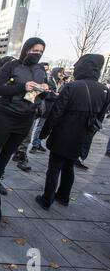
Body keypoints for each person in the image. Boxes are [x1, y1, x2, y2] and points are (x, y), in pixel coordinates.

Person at [0, 38, 48, 195]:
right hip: (5, 114)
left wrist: (44, 90)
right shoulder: (12, 66)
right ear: (26, 49)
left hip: (26, 117)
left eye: (40, 51)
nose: (37, 54)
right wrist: (22, 87)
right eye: (34, 50)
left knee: (9, 151)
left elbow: (40, 96)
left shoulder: (40, 70)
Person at [36, 54, 110, 210]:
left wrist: (45, 132)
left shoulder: (72, 86)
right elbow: (100, 118)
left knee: (54, 167)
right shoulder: (104, 90)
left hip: (63, 133)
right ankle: (63, 196)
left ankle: (46, 198)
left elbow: (57, 112)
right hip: (82, 136)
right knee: (68, 167)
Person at [30, 67, 64, 154]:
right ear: (56, 72)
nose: (61, 74)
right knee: (40, 126)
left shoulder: (61, 83)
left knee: (46, 127)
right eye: (60, 72)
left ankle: (39, 142)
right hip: (46, 108)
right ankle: (35, 144)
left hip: (53, 110)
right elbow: (47, 94)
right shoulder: (49, 82)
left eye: (62, 73)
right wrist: (55, 95)